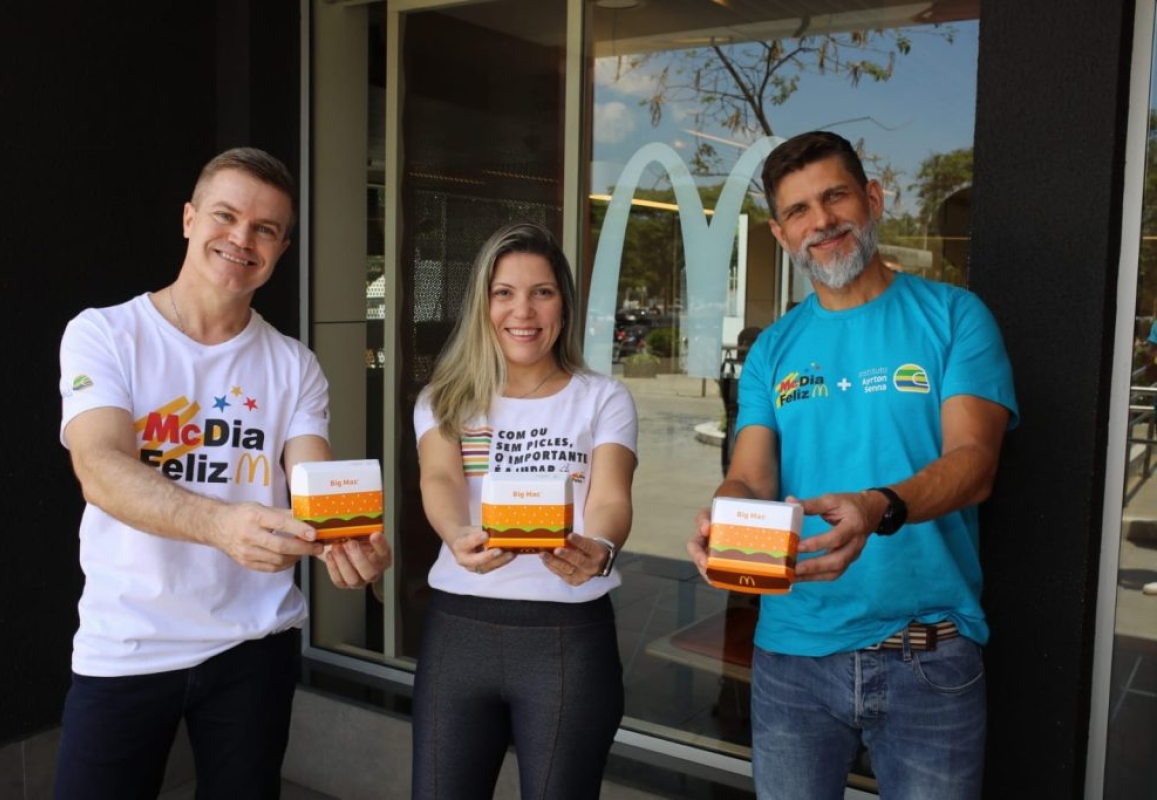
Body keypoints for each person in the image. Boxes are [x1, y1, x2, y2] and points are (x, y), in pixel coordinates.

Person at [688, 131, 1018, 799]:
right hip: (793, 654)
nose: (822, 222)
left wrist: (878, 506)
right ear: (782, 235)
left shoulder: (954, 317)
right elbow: (751, 474)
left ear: (871, 200)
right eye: (800, 211)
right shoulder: (774, 349)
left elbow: (975, 463)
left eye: (835, 196)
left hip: (927, 651)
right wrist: (724, 514)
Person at [55, 147, 392, 799]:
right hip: (128, 638)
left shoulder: (294, 365)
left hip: (252, 646)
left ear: (282, 246)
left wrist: (350, 542)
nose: (242, 238)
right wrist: (220, 525)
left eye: (265, 228)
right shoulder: (106, 334)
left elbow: (313, 484)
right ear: (189, 219)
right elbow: (99, 466)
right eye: (226, 215)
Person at [411, 222, 637, 799]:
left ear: (563, 302)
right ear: (482, 304)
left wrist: (602, 550)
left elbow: (611, 495)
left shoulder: (602, 397)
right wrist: (456, 531)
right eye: (504, 292)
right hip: (458, 631)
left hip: (568, 637)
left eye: (542, 291)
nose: (523, 310)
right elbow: (437, 477)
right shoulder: (447, 396)